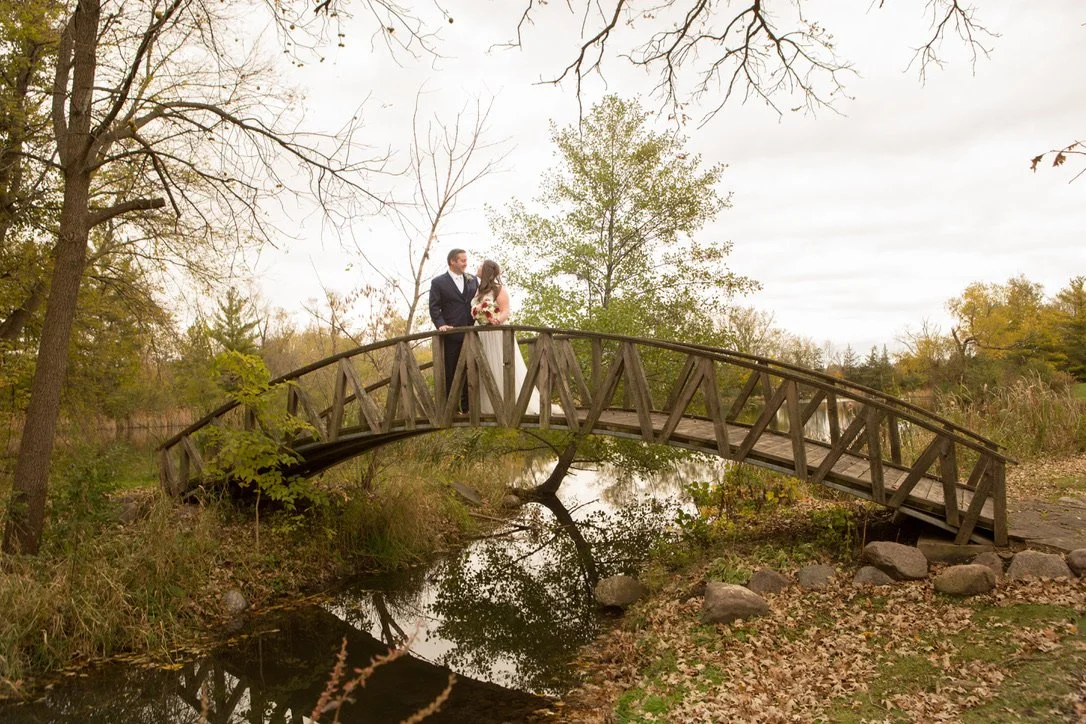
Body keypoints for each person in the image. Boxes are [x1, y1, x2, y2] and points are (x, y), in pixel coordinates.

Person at [471, 259, 540, 416]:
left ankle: (509, 402)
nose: (478, 267)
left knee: (501, 362)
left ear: (487, 270)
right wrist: (477, 314)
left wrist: (496, 320)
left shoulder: (499, 290)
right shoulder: (478, 290)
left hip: (496, 331)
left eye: (480, 265)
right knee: (485, 364)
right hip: (481, 332)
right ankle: (489, 403)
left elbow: (505, 311)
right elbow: (475, 308)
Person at [428, 248, 477, 412]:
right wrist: (441, 324)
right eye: (462, 260)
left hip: (471, 333)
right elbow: (434, 308)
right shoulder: (438, 282)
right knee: (451, 370)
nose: (465, 263)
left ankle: (468, 408)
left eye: (466, 260)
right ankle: (452, 409)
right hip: (451, 333)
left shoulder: (472, 280)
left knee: (471, 369)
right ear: (452, 262)